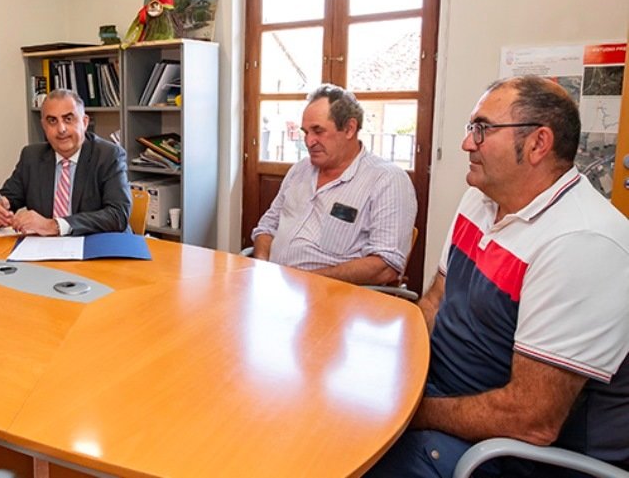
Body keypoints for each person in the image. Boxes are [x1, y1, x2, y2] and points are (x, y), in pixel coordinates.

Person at [366, 76, 629, 477]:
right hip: (438, 394)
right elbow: (436, 299)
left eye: (482, 129)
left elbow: (531, 421)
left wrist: (412, 412)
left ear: (538, 144)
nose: (467, 143)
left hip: (500, 452)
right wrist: (390, 368)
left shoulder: (583, 242)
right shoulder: (482, 197)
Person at [250, 84, 417, 286]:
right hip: (274, 287)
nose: (309, 141)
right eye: (306, 132)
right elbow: (266, 227)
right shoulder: (300, 170)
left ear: (349, 129)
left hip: (334, 299)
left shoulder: (386, 180)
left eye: (318, 131)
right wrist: (262, 266)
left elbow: (385, 267)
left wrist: (306, 281)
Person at [0, 89, 131, 236]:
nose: (61, 129)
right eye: (52, 121)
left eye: (68, 119)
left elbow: (118, 215)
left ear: (85, 122)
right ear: (44, 126)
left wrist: (55, 225)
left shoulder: (108, 155)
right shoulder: (31, 157)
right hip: (45, 250)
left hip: (97, 248)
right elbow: (1, 200)